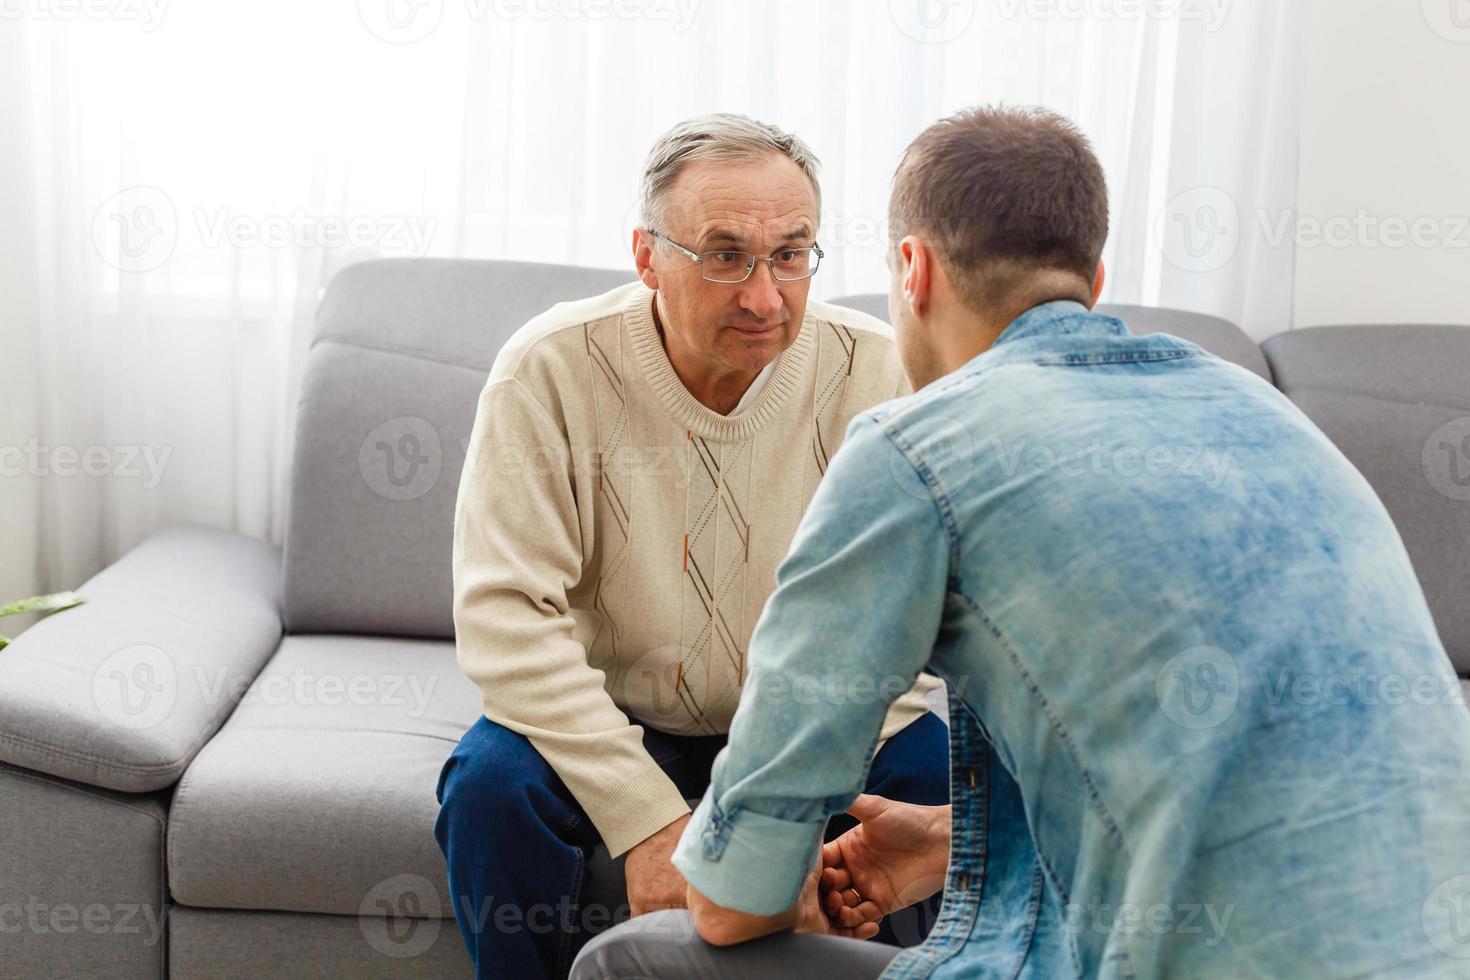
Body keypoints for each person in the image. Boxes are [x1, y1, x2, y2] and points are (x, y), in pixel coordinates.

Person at [570, 104, 1470, 979]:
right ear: (1094, 281)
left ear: (913, 270)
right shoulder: (1265, 415)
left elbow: (735, 902)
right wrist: (952, 842)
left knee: (627, 963)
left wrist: (767, 889)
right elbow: (1249, 778)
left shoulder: (918, 450)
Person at [435, 112, 948, 980]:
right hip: (618, 715)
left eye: (791, 253)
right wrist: (646, 822)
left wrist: (792, 790)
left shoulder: (880, 372)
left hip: (810, 722)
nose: (765, 295)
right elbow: (505, 619)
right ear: (647, 257)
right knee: (489, 786)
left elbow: (916, 617)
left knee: (938, 773)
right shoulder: (548, 370)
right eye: (724, 255)